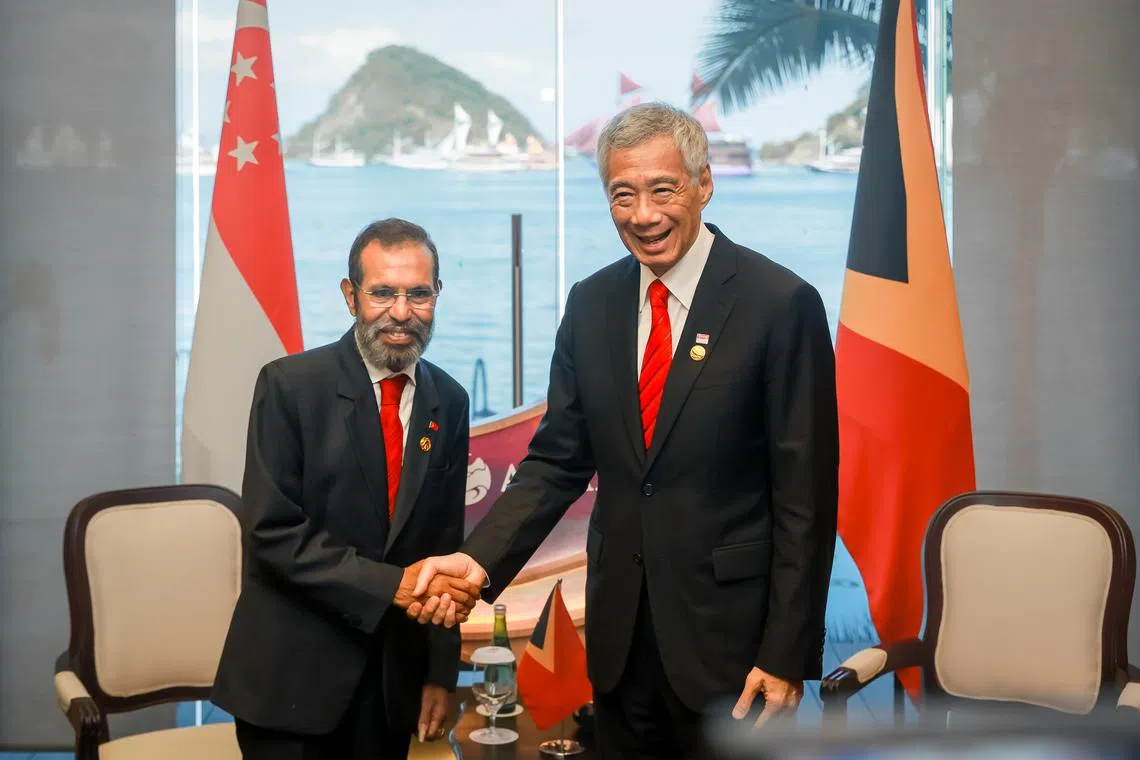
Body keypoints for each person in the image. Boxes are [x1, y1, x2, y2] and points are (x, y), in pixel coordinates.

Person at [410, 103, 840, 758]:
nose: (643, 215)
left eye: (662, 189)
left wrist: (785, 655)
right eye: (623, 194)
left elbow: (805, 499)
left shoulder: (780, 305)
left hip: (733, 651)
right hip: (619, 640)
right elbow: (557, 461)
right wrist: (476, 563)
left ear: (703, 183)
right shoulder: (592, 303)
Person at [211, 218, 481, 760]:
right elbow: (272, 534)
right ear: (350, 295)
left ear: (437, 296)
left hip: (389, 691)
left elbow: (444, 547)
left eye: (418, 294)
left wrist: (439, 674)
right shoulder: (289, 387)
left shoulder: (447, 402)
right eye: (383, 292)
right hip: (291, 689)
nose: (401, 313)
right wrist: (393, 587)